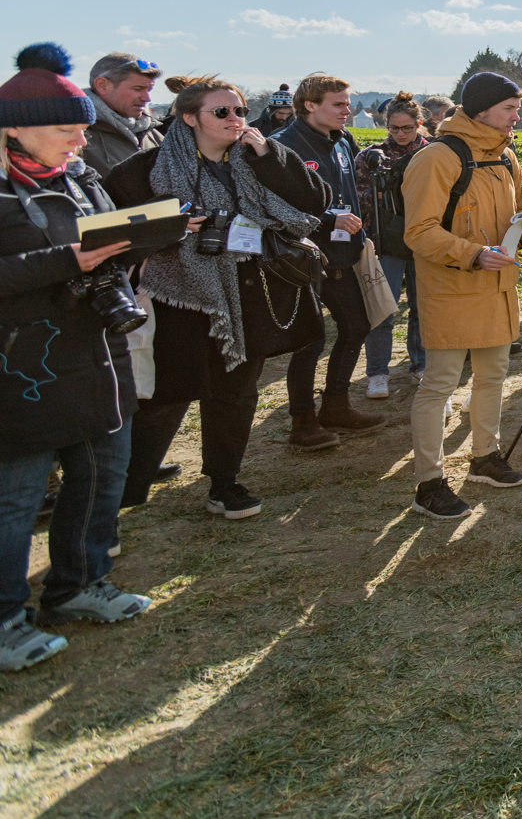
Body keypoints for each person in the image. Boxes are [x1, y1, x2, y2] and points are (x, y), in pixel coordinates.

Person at [103, 74, 327, 507]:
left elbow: (313, 201)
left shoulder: (258, 158)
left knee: (237, 395)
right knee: (166, 398)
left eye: (241, 110)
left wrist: (269, 154)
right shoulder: (145, 170)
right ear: (190, 118)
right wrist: (164, 229)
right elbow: (110, 234)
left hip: (248, 295)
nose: (235, 119)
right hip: (180, 298)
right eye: (222, 111)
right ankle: (127, 491)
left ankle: (224, 483)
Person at [0, 45, 152, 670]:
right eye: (67, 129)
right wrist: (68, 262)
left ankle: (79, 584)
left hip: (98, 349)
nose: (80, 142)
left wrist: (139, 243)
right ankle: (9, 618)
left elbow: (106, 236)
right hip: (25, 366)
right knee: (16, 496)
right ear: (15, 129)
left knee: (101, 475)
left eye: (84, 128)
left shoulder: (81, 178)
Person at [401, 72, 522, 519]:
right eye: (509, 108)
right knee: (440, 384)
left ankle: (485, 456)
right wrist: (474, 254)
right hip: (451, 287)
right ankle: (429, 482)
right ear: (481, 111)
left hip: (497, 286)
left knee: (493, 375)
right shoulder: (435, 158)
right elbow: (419, 232)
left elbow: (516, 208)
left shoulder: (506, 155)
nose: (516, 116)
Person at [270, 75, 386, 440]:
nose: (347, 110)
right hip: (300, 260)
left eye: (347, 103)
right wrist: (324, 220)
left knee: (356, 327)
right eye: (338, 104)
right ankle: (302, 422)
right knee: (311, 341)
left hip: (343, 255)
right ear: (309, 105)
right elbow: (271, 207)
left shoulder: (341, 141)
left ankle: (335, 406)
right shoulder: (281, 147)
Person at [356, 93, 430, 399]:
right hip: (385, 240)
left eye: (407, 128)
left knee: (422, 308)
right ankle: (377, 372)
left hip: (424, 240)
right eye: (395, 128)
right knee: (382, 310)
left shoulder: (433, 152)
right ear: (386, 124)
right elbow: (358, 199)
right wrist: (380, 184)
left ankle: (421, 364)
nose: (400, 134)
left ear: (419, 124)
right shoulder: (371, 156)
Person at [79, 52, 162, 178]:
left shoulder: (153, 133)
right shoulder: (77, 137)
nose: (147, 98)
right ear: (102, 85)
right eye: (137, 89)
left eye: (149, 90)